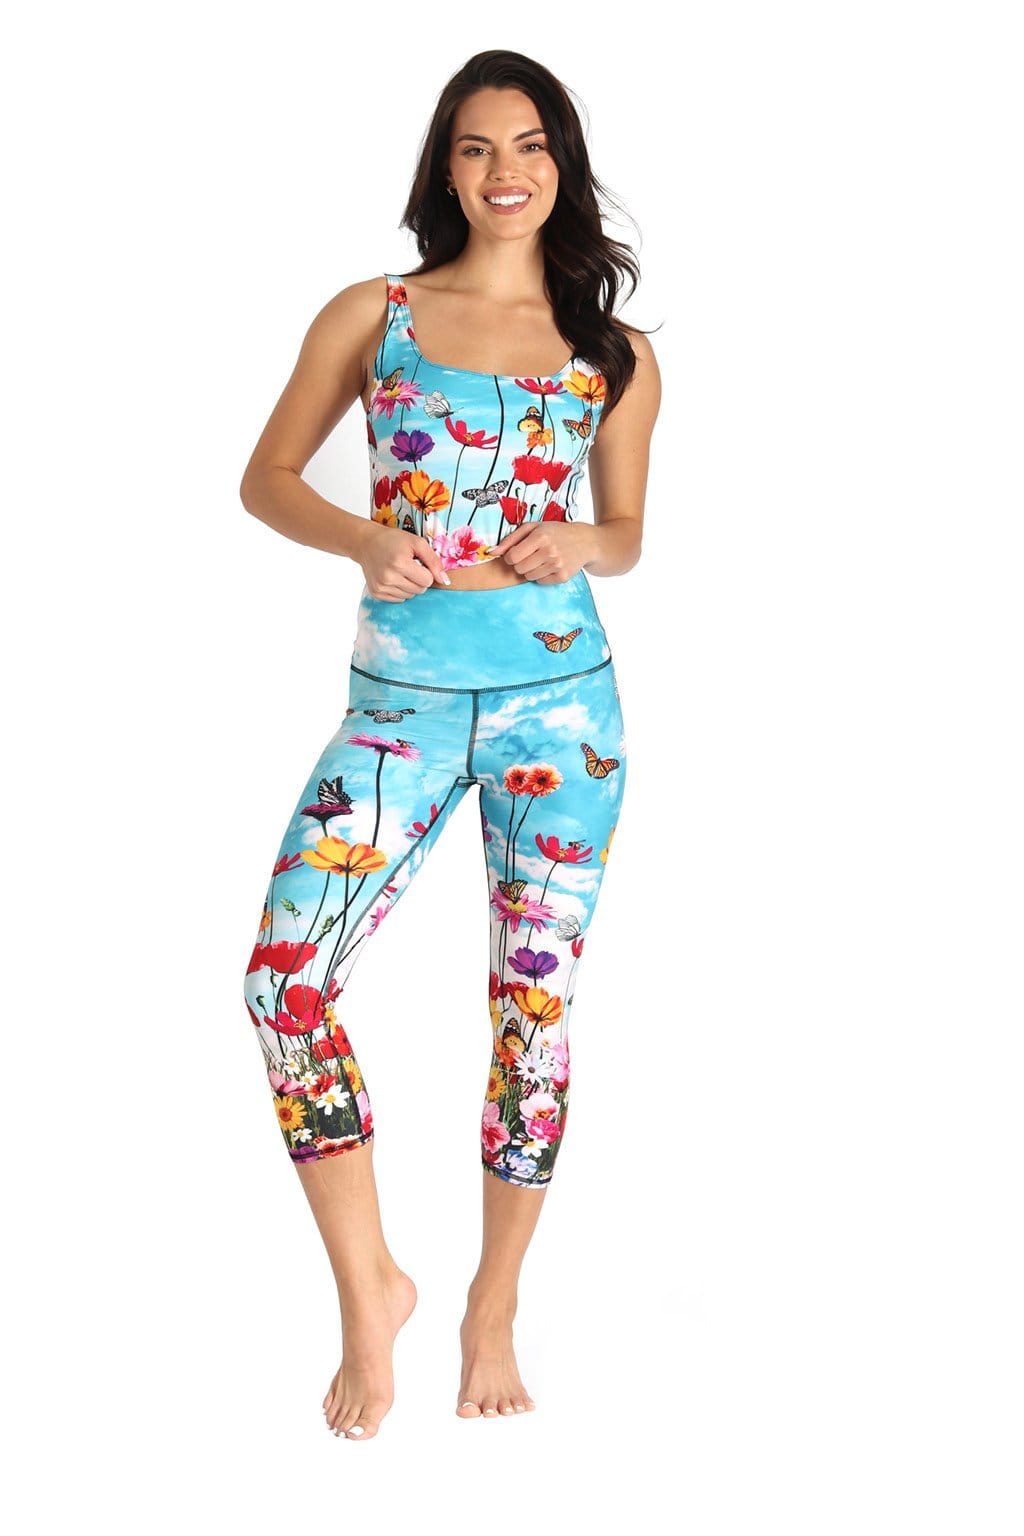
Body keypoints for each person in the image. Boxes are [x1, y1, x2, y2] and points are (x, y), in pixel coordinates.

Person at [239, 48, 661, 1440]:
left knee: (531, 1014)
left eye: (529, 146)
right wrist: (361, 538)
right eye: (476, 149)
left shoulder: (613, 352)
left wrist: (581, 542)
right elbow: (266, 478)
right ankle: (373, 1291)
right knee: (283, 985)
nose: (504, 172)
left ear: (562, 165)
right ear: (446, 170)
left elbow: (627, 534)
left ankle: (494, 1304)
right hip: (399, 710)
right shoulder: (378, 315)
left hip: (563, 713)